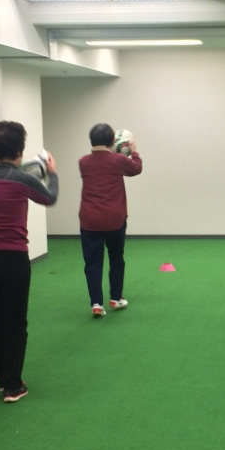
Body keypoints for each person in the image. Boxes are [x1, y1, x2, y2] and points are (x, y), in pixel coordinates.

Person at [0, 121, 59, 403]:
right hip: (12, 258)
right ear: (20, 150)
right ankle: (13, 386)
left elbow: (3, 180)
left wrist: (25, 168)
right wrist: (51, 173)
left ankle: (2, 380)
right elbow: (50, 197)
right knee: (15, 322)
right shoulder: (23, 180)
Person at [79, 123, 142, 318]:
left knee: (92, 263)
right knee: (116, 259)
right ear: (113, 141)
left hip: (89, 220)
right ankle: (115, 298)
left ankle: (96, 304)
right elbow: (136, 168)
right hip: (115, 219)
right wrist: (133, 151)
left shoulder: (83, 162)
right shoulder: (118, 160)